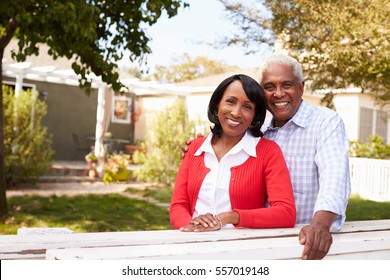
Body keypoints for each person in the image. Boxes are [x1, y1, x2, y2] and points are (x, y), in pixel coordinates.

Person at [182, 54, 351, 259]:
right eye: (269, 87)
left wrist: (319, 225)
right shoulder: (257, 128)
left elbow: (335, 178)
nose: (278, 93)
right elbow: (224, 140)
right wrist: (198, 147)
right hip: (258, 241)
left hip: (308, 239)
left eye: (287, 85)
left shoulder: (325, 122)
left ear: (301, 88)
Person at [170, 74, 296, 232]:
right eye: (231, 101)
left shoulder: (268, 152)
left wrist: (229, 217)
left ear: (255, 115)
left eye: (247, 107)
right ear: (217, 104)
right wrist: (191, 226)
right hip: (191, 243)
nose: (236, 113)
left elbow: (286, 213)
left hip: (239, 248)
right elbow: (178, 205)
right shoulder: (194, 148)